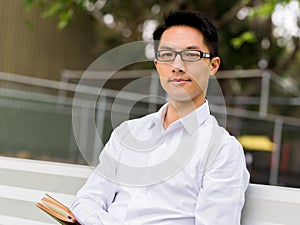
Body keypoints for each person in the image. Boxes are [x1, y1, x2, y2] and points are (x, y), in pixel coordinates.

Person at [71, 10, 250, 225]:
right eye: (167, 55)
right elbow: (86, 201)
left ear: (213, 66)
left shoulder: (222, 150)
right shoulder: (127, 133)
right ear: (157, 65)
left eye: (191, 55)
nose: (177, 66)